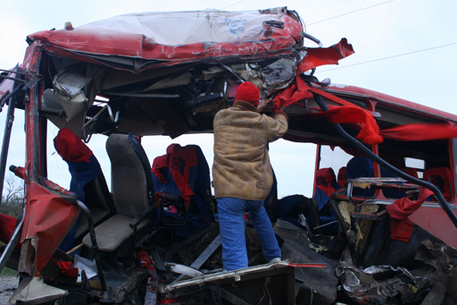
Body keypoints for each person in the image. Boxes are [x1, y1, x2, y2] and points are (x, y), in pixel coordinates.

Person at [212, 81, 288, 271]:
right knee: (259, 215)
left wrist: (254, 108)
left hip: (228, 192)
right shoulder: (262, 122)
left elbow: (242, 113)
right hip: (255, 192)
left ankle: (237, 274)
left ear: (236, 100)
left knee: (234, 248)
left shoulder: (220, 118)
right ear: (256, 104)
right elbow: (280, 128)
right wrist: (281, 112)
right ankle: (274, 256)